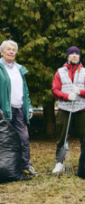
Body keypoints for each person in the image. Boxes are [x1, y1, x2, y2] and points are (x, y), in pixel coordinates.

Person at [51, 46, 85, 174]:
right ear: (68, 56)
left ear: (79, 57)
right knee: (62, 136)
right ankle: (60, 162)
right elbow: (55, 90)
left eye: (77, 54)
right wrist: (66, 96)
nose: (74, 56)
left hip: (82, 109)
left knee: (84, 136)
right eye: (72, 54)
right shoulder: (60, 72)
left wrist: (80, 92)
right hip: (64, 109)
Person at [0, 40, 38, 176]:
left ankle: (26, 165)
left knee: (24, 138)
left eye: (13, 50)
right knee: (4, 139)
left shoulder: (19, 68)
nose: (11, 52)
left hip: (19, 109)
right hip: (4, 110)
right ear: (2, 52)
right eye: (8, 49)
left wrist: (29, 108)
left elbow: (25, 90)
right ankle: (5, 167)